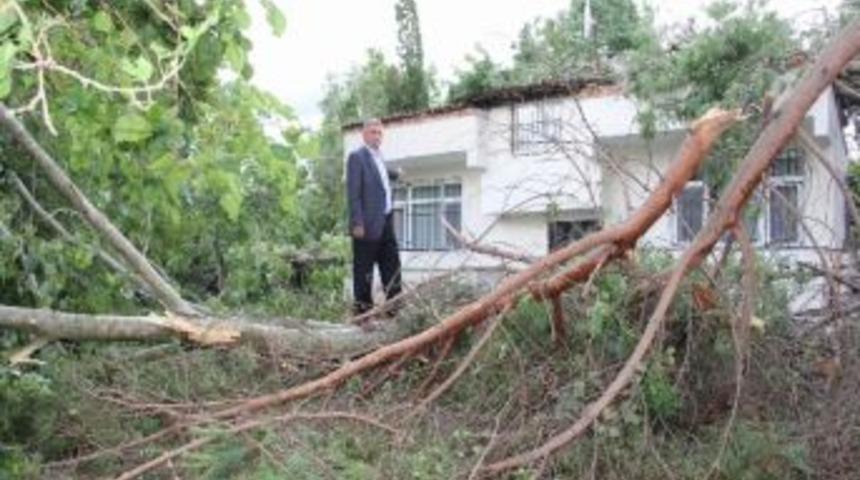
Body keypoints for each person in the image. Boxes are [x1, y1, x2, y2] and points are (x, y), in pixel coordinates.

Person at [346, 118, 403, 317]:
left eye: (379, 133)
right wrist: (357, 222)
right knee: (364, 271)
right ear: (364, 135)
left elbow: (380, 177)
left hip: (386, 221)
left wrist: (396, 174)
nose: (377, 136)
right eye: (373, 132)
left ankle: (395, 311)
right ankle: (363, 314)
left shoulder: (379, 157)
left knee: (392, 265)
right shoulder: (357, 157)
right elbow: (353, 193)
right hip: (366, 225)